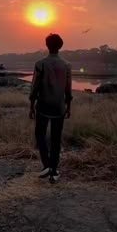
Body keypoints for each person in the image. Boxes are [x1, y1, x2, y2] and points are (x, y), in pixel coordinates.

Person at [29, 33, 73, 183]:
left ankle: (46, 165)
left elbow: (34, 87)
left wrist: (31, 106)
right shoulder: (66, 65)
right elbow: (68, 90)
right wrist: (69, 107)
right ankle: (53, 171)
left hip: (43, 105)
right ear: (60, 47)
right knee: (56, 138)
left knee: (40, 135)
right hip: (59, 107)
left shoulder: (40, 63)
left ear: (47, 45)